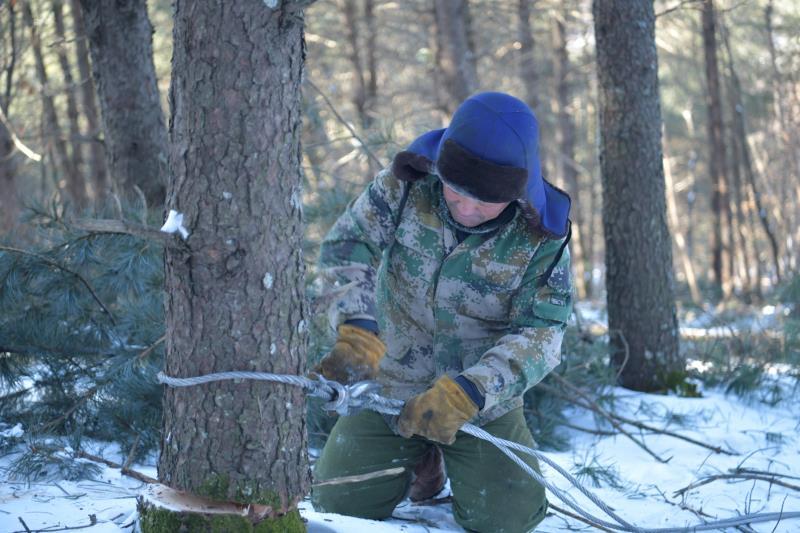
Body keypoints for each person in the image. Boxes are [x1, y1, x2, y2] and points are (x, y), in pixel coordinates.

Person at [311, 91, 572, 532]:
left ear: (517, 192)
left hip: (477, 400)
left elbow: (542, 332)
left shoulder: (541, 236)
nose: (466, 208)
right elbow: (346, 245)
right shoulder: (405, 183)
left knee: (508, 520)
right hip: (390, 381)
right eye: (456, 190)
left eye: (484, 200)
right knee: (336, 503)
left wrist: (470, 391)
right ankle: (421, 461)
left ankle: (451, 453)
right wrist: (355, 326)